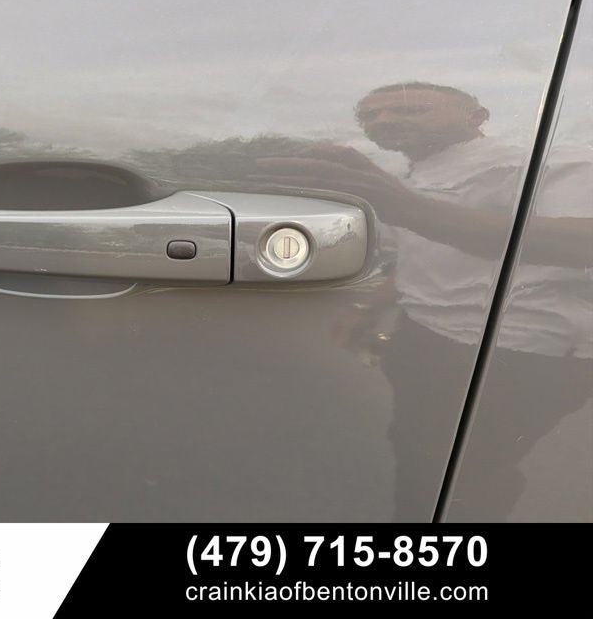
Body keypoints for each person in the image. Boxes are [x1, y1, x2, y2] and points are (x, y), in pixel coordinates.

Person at [252, 81, 591, 519]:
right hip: (427, 337)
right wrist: (370, 306)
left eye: (411, 110)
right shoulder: (417, 175)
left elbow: (583, 242)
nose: (385, 120)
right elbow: (428, 250)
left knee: (464, 474)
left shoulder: (544, 161)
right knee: (420, 449)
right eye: (371, 116)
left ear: (477, 116)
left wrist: (404, 206)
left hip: (511, 353)